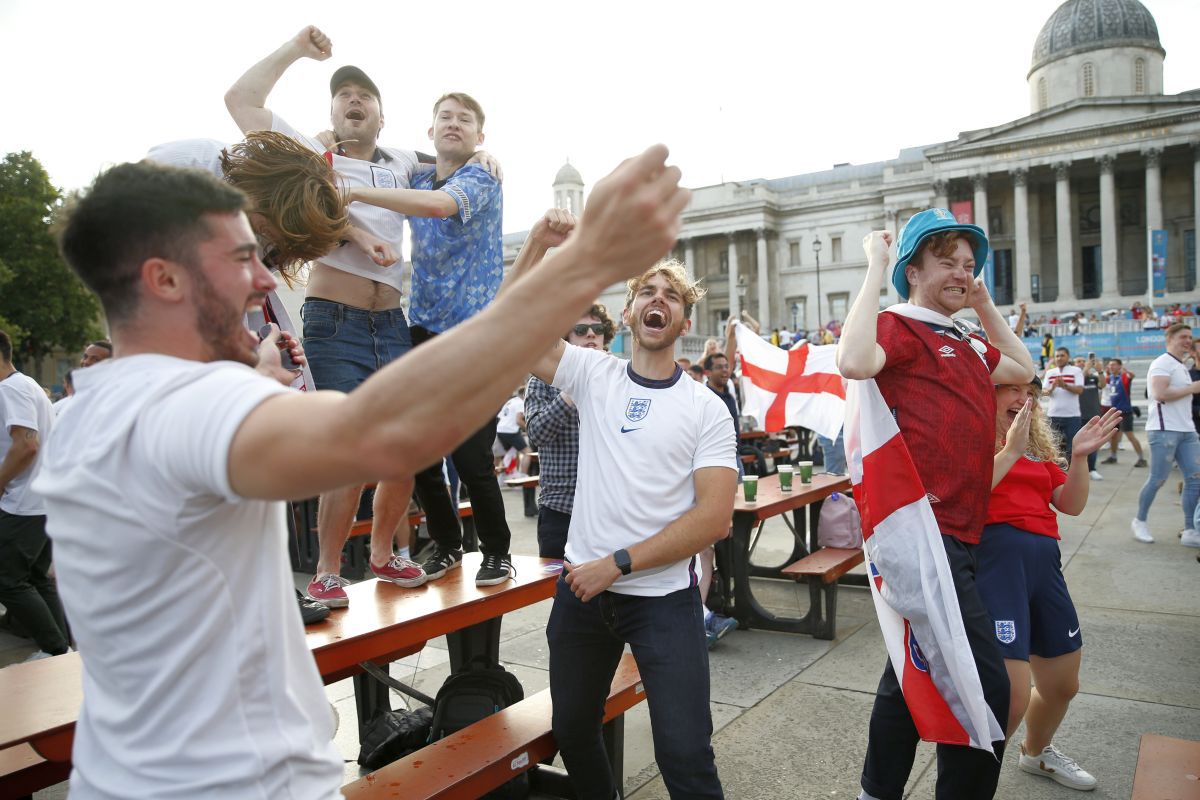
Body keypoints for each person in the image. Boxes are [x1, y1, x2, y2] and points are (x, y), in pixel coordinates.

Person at [40, 143, 688, 796]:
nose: (267, 281)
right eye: (244, 259)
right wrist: (585, 262)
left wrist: (247, 379)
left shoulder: (79, 417)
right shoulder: (188, 407)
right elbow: (390, 433)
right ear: (167, 280)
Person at [224, 28, 498, 603]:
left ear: (380, 115)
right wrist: (296, 49)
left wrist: (483, 153)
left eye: (363, 96)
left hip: (392, 324)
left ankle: (382, 554)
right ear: (331, 113)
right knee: (350, 447)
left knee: (403, 448)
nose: (353, 100)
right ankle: (327, 572)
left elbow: (448, 164)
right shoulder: (313, 155)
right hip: (335, 320)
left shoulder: (402, 161)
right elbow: (241, 102)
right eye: (342, 95)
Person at [837, 207, 1035, 800]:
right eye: (946, 260)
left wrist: (982, 303)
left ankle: (878, 789)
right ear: (913, 269)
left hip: (962, 536)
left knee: (912, 671)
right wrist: (875, 265)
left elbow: (1024, 367)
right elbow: (852, 360)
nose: (960, 272)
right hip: (923, 533)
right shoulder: (899, 326)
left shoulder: (967, 338)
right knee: (984, 688)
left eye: (969, 265)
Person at [524, 259, 736, 799]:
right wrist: (544, 253)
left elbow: (714, 518)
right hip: (582, 597)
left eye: (671, 295)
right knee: (572, 729)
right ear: (629, 310)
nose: (657, 300)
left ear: (684, 321)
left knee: (686, 755)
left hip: (662, 600)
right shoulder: (595, 374)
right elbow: (515, 327)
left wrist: (616, 564)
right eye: (647, 291)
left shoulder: (705, 408)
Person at [348, 91, 517, 586]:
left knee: (468, 455)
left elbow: (440, 206)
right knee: (418, 452)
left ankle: (497, 551)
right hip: (420, 328)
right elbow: (380, 161)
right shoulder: (417, 172)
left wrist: (358, 194)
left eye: (466, 120)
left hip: (476, 334)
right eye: (445, 117)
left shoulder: (481, 176)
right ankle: (447, 544)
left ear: (480, 137)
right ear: (430, 130)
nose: (454, 124)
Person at [981, 380, 1120, 791]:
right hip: (996, 568)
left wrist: (1078, 457)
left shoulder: (1035, 446)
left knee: (1062, 684)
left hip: (1044, 568)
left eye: (1030, 392)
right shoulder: (967, 438)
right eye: (1010, 389)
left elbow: (1070, 504)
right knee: (1009, 697)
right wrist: (1008, 449)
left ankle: (1036, 753)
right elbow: (964, 494)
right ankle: (968, 781)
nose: (1023, 399)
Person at [0, 330, 71, 662]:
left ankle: (54, 648)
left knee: (8, 580)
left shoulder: (9, 389)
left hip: (22, 503)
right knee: (35, 578)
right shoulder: (26, 385)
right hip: (41, 501)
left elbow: (26, 445)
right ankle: (63, 652)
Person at [525, 302, 615, 561]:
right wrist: (573, 389)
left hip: (610, 509)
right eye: (581, 328)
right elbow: (536, 435)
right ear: (565, 337)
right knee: (563, 593)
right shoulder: (542, 380)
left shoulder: (622, 376)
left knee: (614, 596)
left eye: (597, 328)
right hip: (562, 509)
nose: (591, 334)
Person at [1132, 323, 1200, 546]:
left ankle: (1190, 530)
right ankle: (1139, 521)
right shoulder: (1162, 362)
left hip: (1187, 430)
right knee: (1158, 479)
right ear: (1169, 338)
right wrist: (1192, 388)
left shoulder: (1180, 365)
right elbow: (1160, 394)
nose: (1188, 341)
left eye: (1190, 337)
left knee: (1195, 479)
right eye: (1183, 336)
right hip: (1164, 430)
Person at [1043, 348, 1094, 476]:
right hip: (1053, 414)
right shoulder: (1050, 372)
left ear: (1068, 357)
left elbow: (1079, 390)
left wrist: (1064, 385)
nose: (1059, 358)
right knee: (1053, 445)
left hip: (1072, 415)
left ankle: (1072, 473)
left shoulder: (1076, 371)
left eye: (1062, 355)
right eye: (1057, 356)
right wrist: (1053, 387)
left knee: (1073, 446)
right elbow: (1044, 392)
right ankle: (1056, 472)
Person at [1101, 358, 1146, 467]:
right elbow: (1102, 384)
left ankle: (1141, 459)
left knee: (1130, 435)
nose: (1111, 367)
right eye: (1110, 365)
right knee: (1113, 436)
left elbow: (1132, 376)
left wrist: (1127, 372)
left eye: (1114, 365)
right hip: (1114, 412)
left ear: (1119, 366)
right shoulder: (1110, 377)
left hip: (1125, 412)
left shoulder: (1124, 377)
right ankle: (1113, 456)